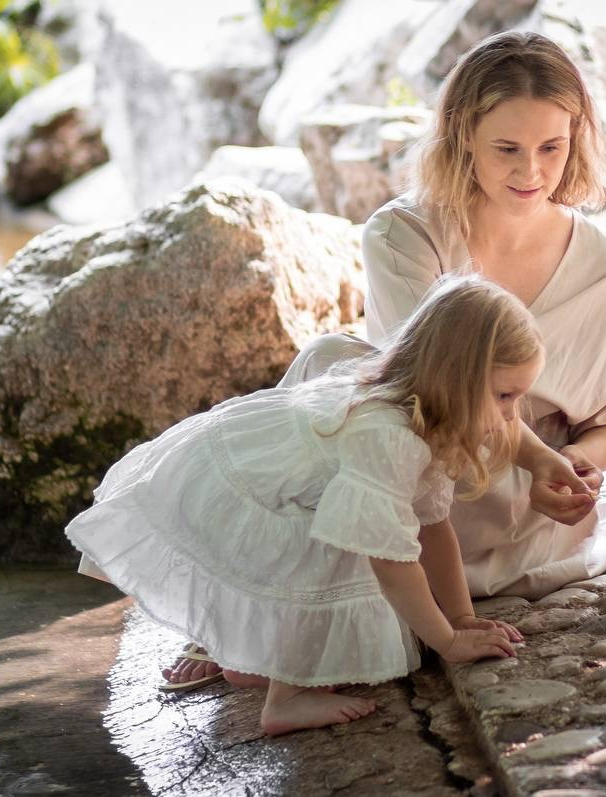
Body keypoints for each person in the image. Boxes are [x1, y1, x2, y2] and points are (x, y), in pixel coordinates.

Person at [165, 29, 606, 690]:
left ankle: (285, 612)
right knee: (328, 366)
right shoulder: (405, 234)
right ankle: (245, 604)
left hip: (514, 502)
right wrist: (539, 455)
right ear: (461, 137)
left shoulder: (604, 267)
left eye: (551, 148)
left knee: (350, 420)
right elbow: (431, 394)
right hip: (421, 466)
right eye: (506, 148)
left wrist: (572, 472)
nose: (531, 172)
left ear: (576, 139)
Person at [68, 277, 534, 735]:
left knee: (349, 539)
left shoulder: (425, 422)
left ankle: (256, 662)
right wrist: (448, 642)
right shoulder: (388, 435)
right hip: (236, 499)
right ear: (454, 375)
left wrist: (462, 618)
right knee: (341, 545)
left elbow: (434, 528)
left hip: (266, 494)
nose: (512, 416)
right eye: (504, 396)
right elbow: (393, 561)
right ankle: (285, 700)